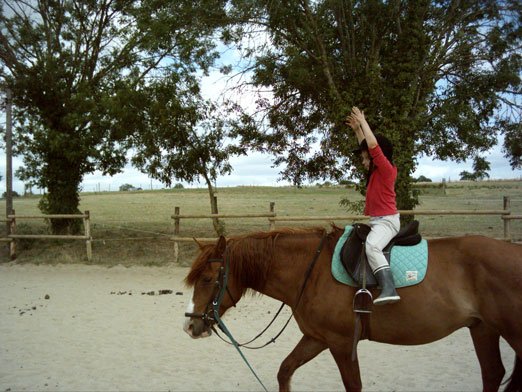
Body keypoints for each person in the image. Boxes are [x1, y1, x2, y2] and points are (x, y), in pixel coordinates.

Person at [346, 107, 401, 305]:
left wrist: (363, 121)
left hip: (387, 222)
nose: (362, 161)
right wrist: (357, 129)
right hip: (378, 221)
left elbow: (372, 145)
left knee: (372, 247)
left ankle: (389, 287)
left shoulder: (387, 170)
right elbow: (366, 145)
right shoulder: (374, 174)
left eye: (364, 158)